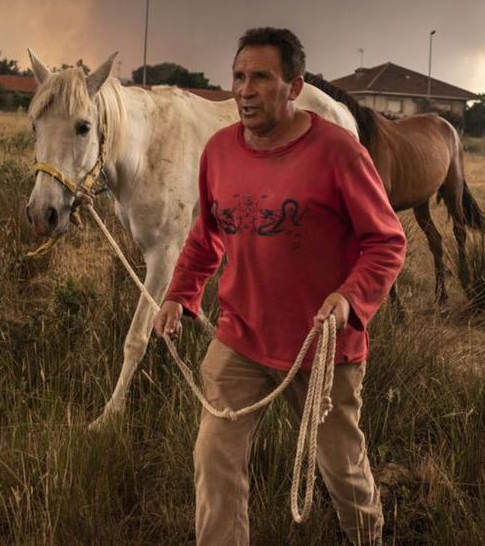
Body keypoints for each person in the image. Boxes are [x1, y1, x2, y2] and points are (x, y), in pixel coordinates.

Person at [153, 27, 406, 545]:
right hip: (240, 338)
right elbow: (207, 236)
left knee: (343, 472)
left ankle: (369, 538)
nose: (245, 90)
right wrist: (180, 295)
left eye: (261, 78)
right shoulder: (219, 151)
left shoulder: (338, 153)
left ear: (294, 87)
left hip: (321, 349)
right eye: (239, 77)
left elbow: (387, 242)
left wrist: (349, 298)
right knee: (213, 460)